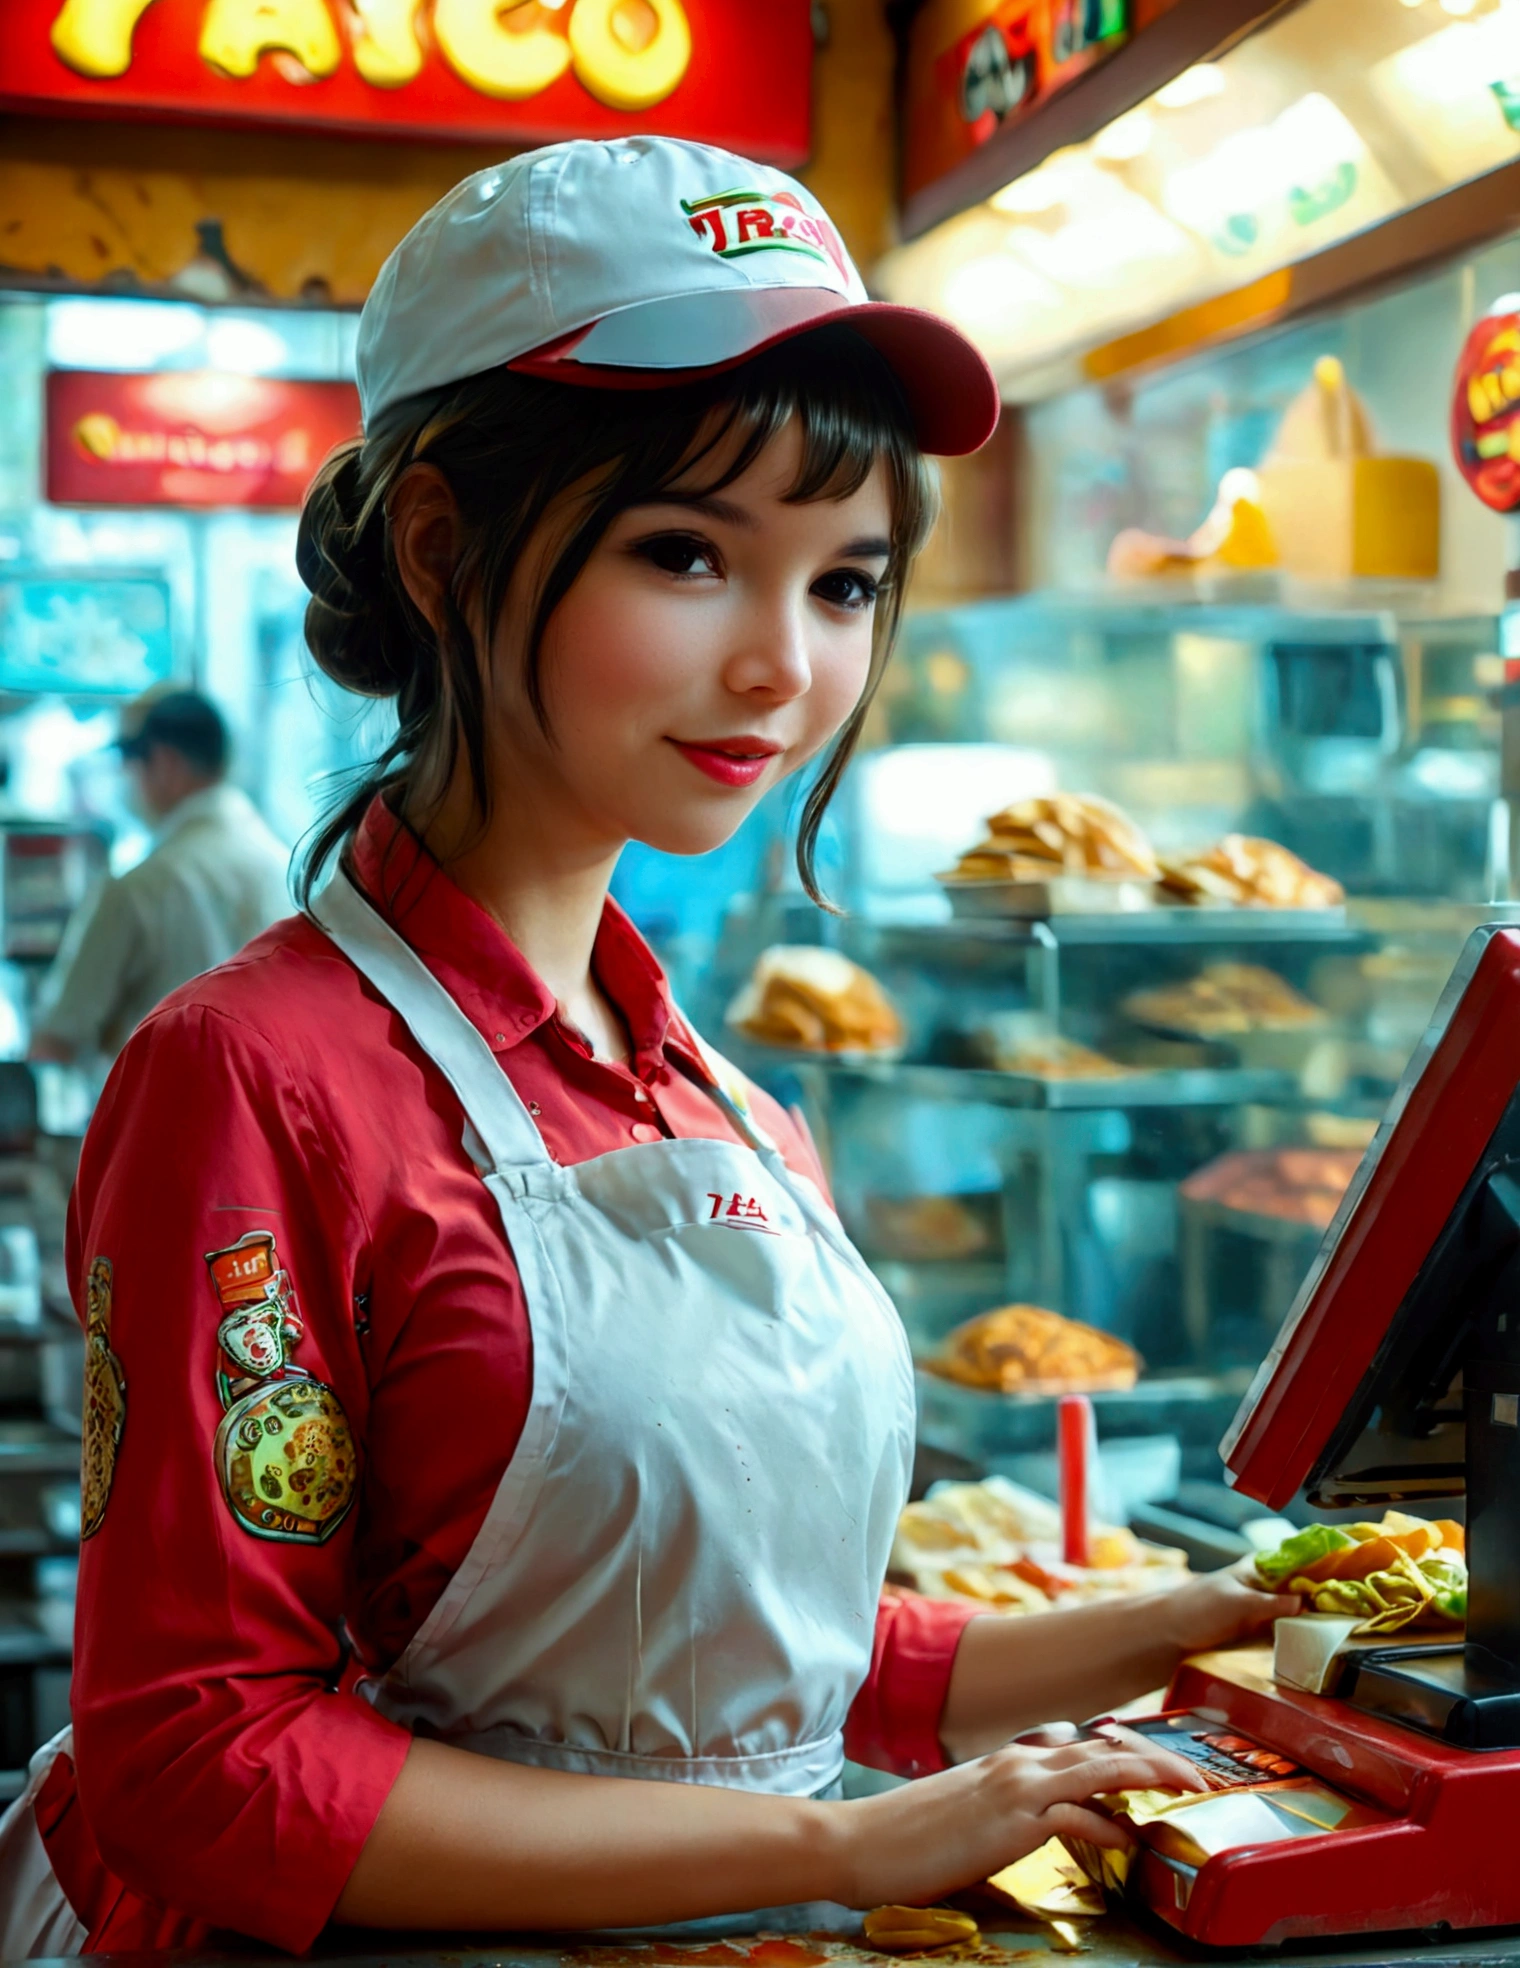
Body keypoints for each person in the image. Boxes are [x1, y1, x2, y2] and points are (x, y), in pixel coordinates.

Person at [0, 137, 1298, 1956]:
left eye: (845, 582)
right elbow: (202, 1755)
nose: (783, 662)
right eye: (688, 552)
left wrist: (1202, 1616)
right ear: (445, 549)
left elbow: (746, 1660)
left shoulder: (733, 1098)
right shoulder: (253, 1074)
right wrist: (838, 1848)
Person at [29, 690, 290, 1067]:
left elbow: (58, 1038)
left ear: (165, 763)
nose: (123, 777)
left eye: (126, 759)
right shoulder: (283, 864)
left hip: (162, 1116)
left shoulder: (141, 886)